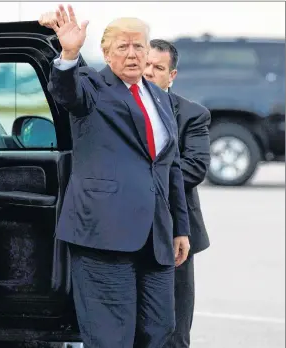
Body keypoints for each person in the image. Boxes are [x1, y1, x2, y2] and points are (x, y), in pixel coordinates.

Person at [39, 5, 190, 348]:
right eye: (123, 46)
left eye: (139, 46)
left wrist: (180, 227)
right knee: (110, 337)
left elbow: (170, 167)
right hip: (104, 236)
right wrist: (70, 52)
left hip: (156, 238)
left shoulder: (159, 97)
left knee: (160, 330)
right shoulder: (93, 85)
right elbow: (65, 91)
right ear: (106, 53)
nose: (133, 54)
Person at [143, 39, 211, 348]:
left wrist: (142, 176)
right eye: (145, 65)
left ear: (171, 76)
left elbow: (195, 168)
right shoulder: (117, 106)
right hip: (127, 230)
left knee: (174, 329)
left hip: (176, 231)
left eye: (158, 68)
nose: (149, 73)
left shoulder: (192, 114)